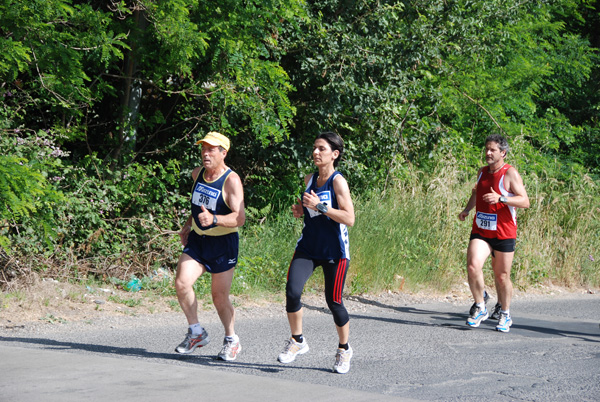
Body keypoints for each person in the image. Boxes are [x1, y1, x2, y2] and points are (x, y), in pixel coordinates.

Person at [277, 131, 356, 374]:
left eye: (321, 148)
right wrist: (301, 210)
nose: (315, 152)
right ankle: (297, 341)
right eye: (314, 148)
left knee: (334, 302)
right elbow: (309, 209)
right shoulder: (309, 179)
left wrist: (319, 206)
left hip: (335, 251)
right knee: (292, 291)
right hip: (308, 248)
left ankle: (344, 349)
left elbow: (349, 218)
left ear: (334, 154)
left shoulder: (338, 182)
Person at [174, 131, 246, 360]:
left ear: (223, 153)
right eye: (203, 149)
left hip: (223, 243)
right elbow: (196, 205)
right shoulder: (198, 174)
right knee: (182, 283)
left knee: (219, 297)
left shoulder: (231, 180)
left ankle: (231, 339)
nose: (205, 154)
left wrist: (215, 219)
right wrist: (188, 225)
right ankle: (196, 332)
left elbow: (240, 218)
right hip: (198, 240)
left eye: (211, 150)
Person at [458, 134, 530, 333]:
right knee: (473, 266)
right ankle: (480, 307)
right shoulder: (482, 172)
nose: (488, 153)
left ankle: (505, 314)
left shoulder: (510, 173)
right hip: (481, 230)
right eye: (486, 149)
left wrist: (502, 198)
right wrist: (467, 210)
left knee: (502, 276)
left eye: (493, 150)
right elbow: (476, 193)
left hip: (504, 232)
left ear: (503, 153)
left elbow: (525, 201)